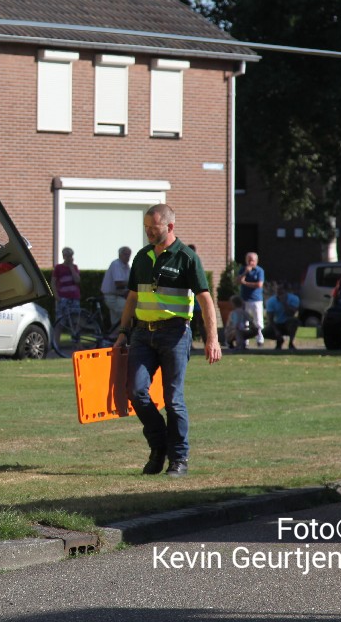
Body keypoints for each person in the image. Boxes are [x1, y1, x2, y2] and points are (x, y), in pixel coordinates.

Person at [112, 204, 222, 478]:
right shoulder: (142, 257)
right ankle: (159, 446)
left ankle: (179, 459)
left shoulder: (187, 258)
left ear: (170, 227)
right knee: (136, 392)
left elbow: (205, 299)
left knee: (173, 399)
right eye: (146, 227)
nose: (149, 232)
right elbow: (133, 298)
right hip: (141, 335)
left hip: (175, 335)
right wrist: (123, 331)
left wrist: (213, 338)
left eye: (154, 227)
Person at [52, 247, 82, 345]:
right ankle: (56, 343)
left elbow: (77, 281)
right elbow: (53, 282)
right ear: (64, 256)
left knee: (76, 321)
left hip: (74, 297)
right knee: (60, 321)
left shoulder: (75, 267)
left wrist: (71, 268)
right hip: (63, 298)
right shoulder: (58, 267)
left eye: (70, 256)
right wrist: (57, 297)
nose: (69, 258)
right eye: (67, 256)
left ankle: (76, 343)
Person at [237, 252, 265, 345]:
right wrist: (245, 272)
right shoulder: (242, 270)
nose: (250, 262)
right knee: (245, 321)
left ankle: (259, 339)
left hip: (256, 300)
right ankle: (245, 340)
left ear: (256, 261)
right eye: (248, 260)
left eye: (252, 260)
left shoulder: (259, 271)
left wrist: (245, 283)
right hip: (244, 299)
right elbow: (238, 281)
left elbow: (259, 285)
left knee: (258, 320)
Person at [101, 246, 132, 325]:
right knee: (129, 311)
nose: (127, 257)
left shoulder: (127, 266)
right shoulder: (116, 264)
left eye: (129, 254)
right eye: (125, 254)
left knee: (116, 321)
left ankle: (113, 336)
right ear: (120, 255)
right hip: (112, 297)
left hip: (118, 296)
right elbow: (118, 282)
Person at [265, 282, 301, 350]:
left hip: (288, 323)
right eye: (277, 289)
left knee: (294, 321)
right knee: (265, 332)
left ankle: (291, 343)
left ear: (286, 291)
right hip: (277, 323)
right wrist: (276, 331)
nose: (279, 292)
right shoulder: (271, 301)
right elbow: (270, 318)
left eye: (281, 289)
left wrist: (284, 303)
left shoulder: (294, 299)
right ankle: (279, 340)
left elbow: (291, 314)